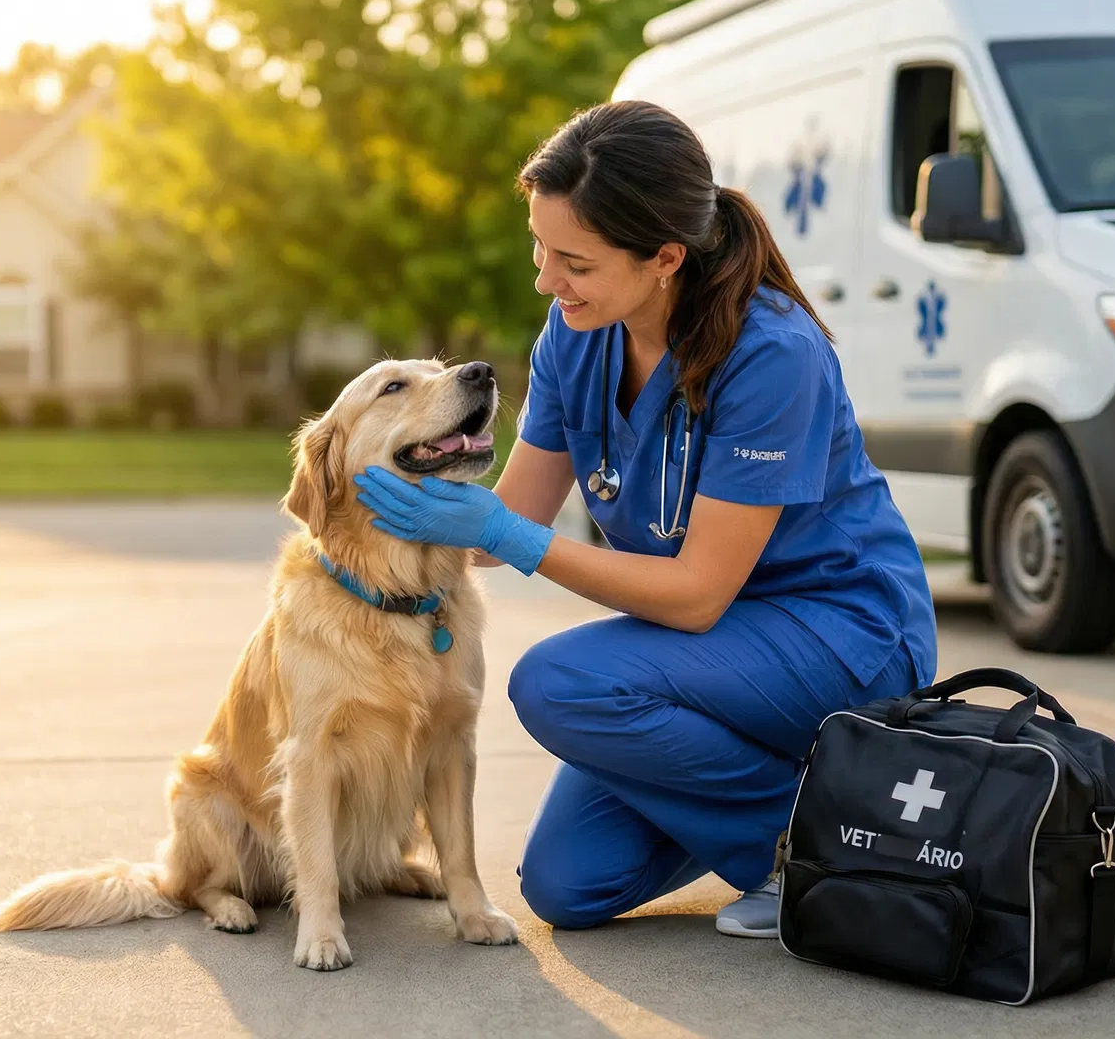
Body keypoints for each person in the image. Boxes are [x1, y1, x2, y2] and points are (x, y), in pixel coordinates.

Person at [353, 100, 938, 939]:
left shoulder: (771, 352)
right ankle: (809, 795)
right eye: (540, 248)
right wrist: (389, 508)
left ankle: (806, 848)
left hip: (840, 637)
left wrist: (506, 537)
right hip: (709, 661)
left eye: (574, 262)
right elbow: (513, 508)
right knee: (566, 888)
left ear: (665, 257)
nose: (546, 281)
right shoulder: (576, 332)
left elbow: (694, 594)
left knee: (560, 682)